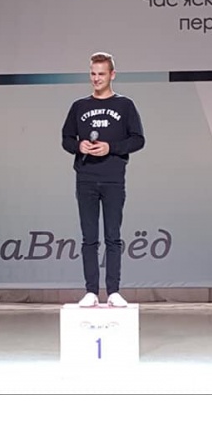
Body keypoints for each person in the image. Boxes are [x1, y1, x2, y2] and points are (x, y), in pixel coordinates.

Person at [61, 52, 145, 308]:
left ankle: (114, 291)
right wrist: (79, 146)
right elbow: (66, 139)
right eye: (93, 73)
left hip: (113, 179)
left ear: (112, 75)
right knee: (89, 237)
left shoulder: (125, 105)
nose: (96, 78)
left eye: (101, 74)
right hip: (86, 179)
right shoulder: (79, 106)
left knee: (112, 236)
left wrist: (111, 148)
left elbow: (138, 139)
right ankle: (91, 291)